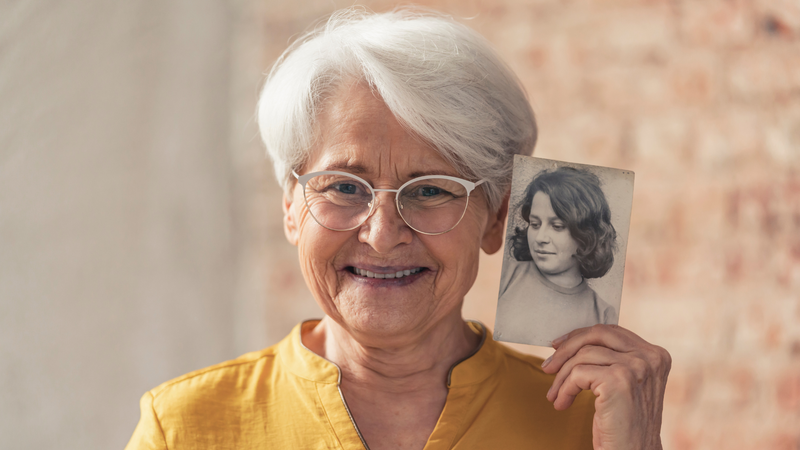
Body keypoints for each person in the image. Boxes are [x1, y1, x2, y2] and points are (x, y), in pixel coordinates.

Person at [125, 8, 670, 450]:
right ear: (291, 206)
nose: (383, 235)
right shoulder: (186, 429)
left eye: (431, 189)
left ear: (498, 218)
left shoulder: (587, 422)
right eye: (343, 186)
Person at [495, 167, 619, 345]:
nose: (540, 238)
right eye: (535, 224)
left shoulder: (603, 314)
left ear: (586, 234)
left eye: (557, 226)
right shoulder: (507, 276)